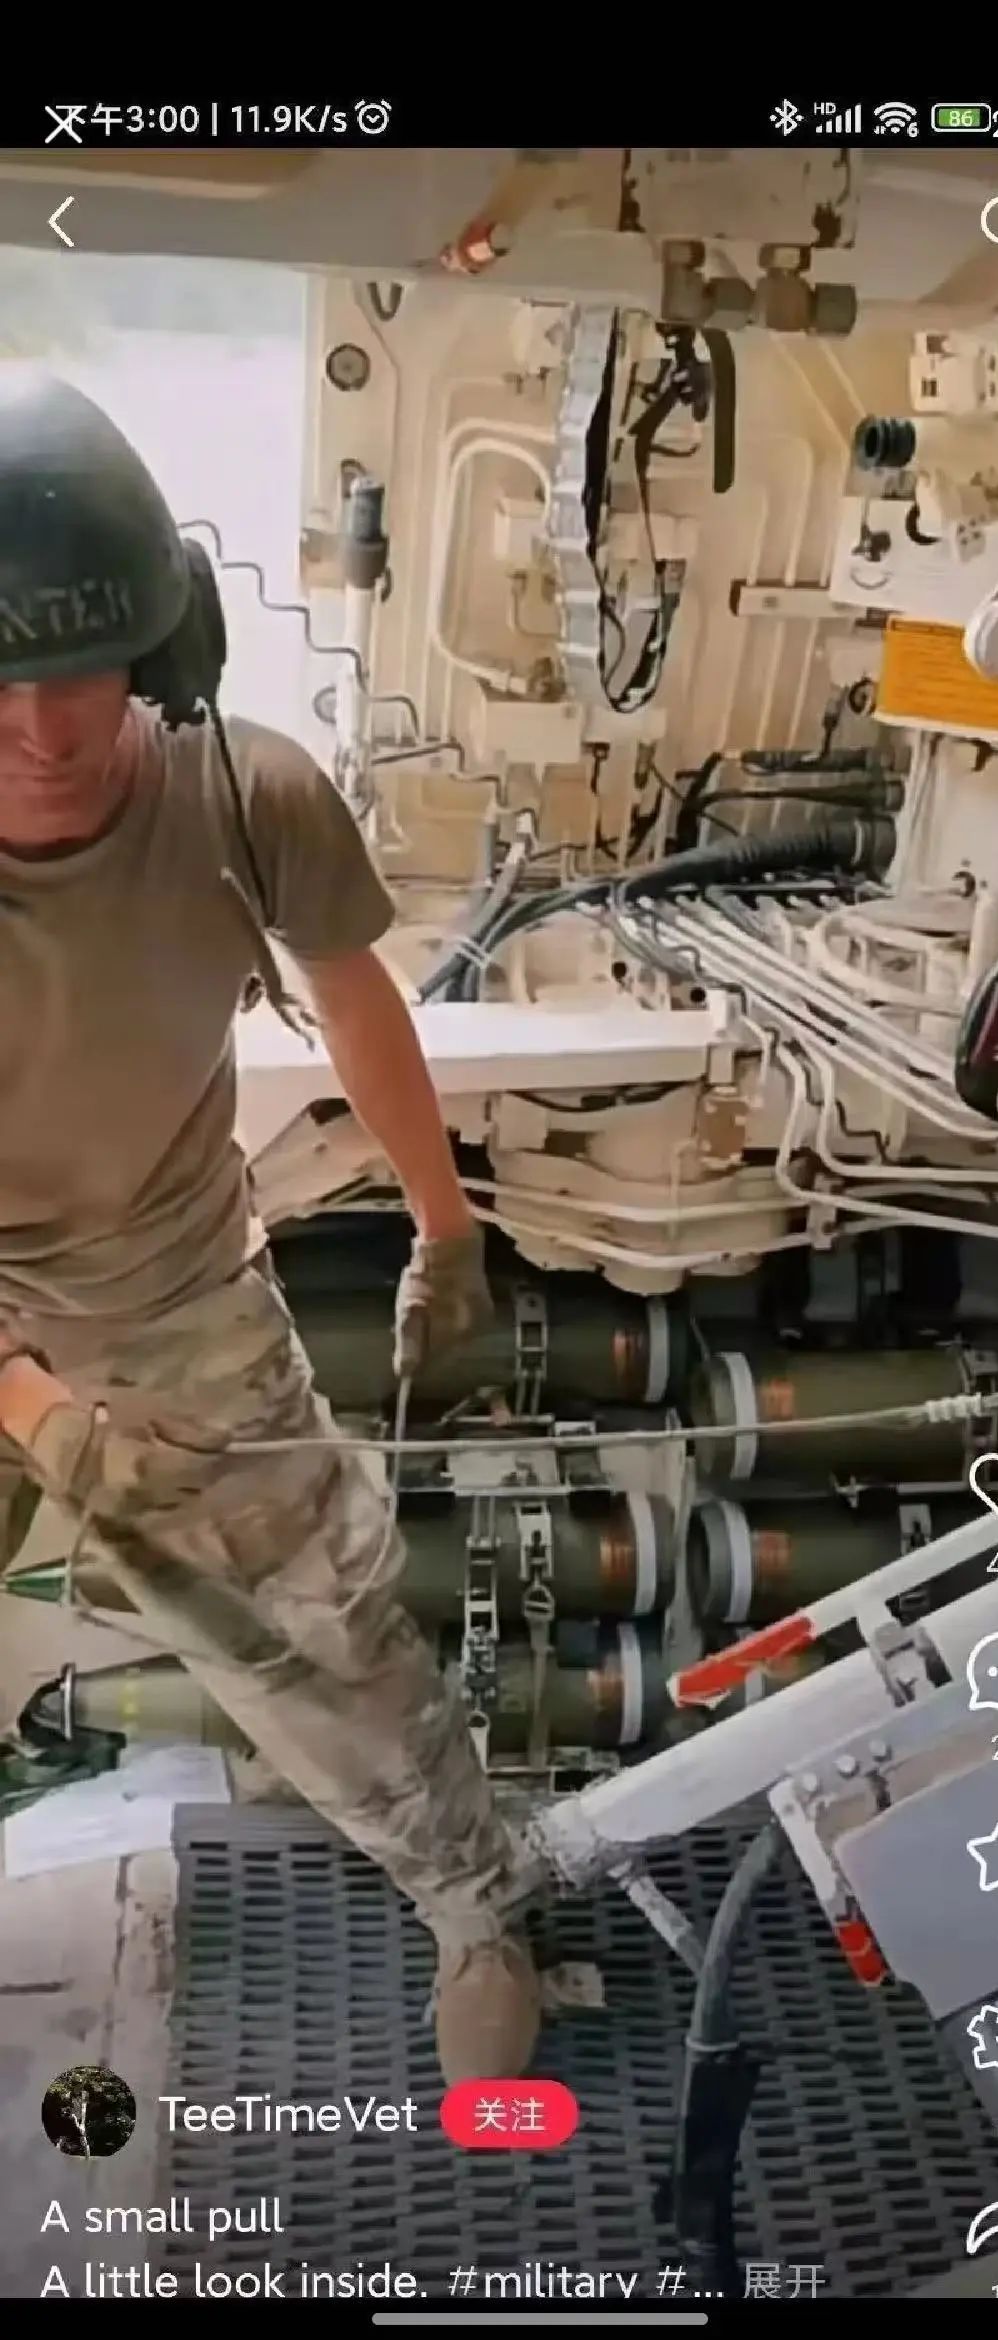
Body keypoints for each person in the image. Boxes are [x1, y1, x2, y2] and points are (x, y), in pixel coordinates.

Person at [0, 369, 540, 2085]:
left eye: (82, 673)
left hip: (174, 1287)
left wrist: (444, 1227)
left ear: (166, 656)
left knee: (326, 1618)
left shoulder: (249, 800)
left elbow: (354, 998)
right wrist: (39, 1415)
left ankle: (474, 1904)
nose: (42, 729)